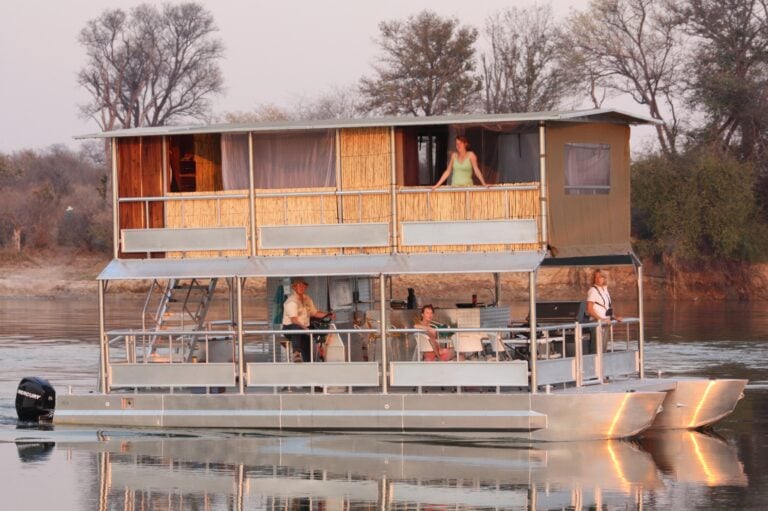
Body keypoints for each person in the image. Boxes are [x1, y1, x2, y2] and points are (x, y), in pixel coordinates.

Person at [281, 277, 335, 362]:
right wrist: (306, 329)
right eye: (299, 286)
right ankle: (296, 354)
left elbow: (315, 313)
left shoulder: (307, 299)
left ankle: (309, 362)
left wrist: (328, 314)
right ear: (294, 287)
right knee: (297, 328)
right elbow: (294, 320)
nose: (302, 288)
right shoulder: (291, 301)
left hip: (303, 328)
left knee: (307, 339)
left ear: (305, 287)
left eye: (303, 286)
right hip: (289, 328)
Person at [586, 269, 622, 353]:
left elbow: (607, 307)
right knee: (597, 349)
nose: (598, 279)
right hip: (597, 323)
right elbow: (589, 309)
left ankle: (601, 365)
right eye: (596, 277)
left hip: (605, 323)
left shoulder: (605, 289)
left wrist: (615, 317)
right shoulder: (593, 290)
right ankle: (594, 365)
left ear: (604, 278)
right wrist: (600, 319)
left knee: (603, 349)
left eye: (600, 277)